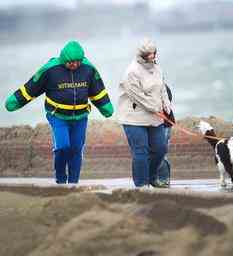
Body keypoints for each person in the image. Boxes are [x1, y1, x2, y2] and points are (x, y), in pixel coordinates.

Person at [5, 40, 114, 185]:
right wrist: (15, 101)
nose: (74, 65)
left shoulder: (88, 69)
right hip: (58, 116)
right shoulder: (51, 70)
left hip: (80, 117)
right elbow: (32, 88)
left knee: (76, 149)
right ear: (64, 59)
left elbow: (97, 91)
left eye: (77, 62)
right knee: (62, 146)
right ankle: (61, 181)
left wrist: (106, 107)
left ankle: (73, 184)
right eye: (71, 62)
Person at [117, 38, 173, 188]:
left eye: (154, 53)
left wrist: (166, 104)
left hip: (155, 117)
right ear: (142, 55)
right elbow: (137, 96)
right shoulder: (131, 71)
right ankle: (141, 185)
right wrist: (154, 107)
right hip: (133, 118)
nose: (152, 56)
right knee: (140, 151)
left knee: (160, 149)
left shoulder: (157, 68)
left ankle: (151, 177)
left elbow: (162, 88)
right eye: (149, 54)